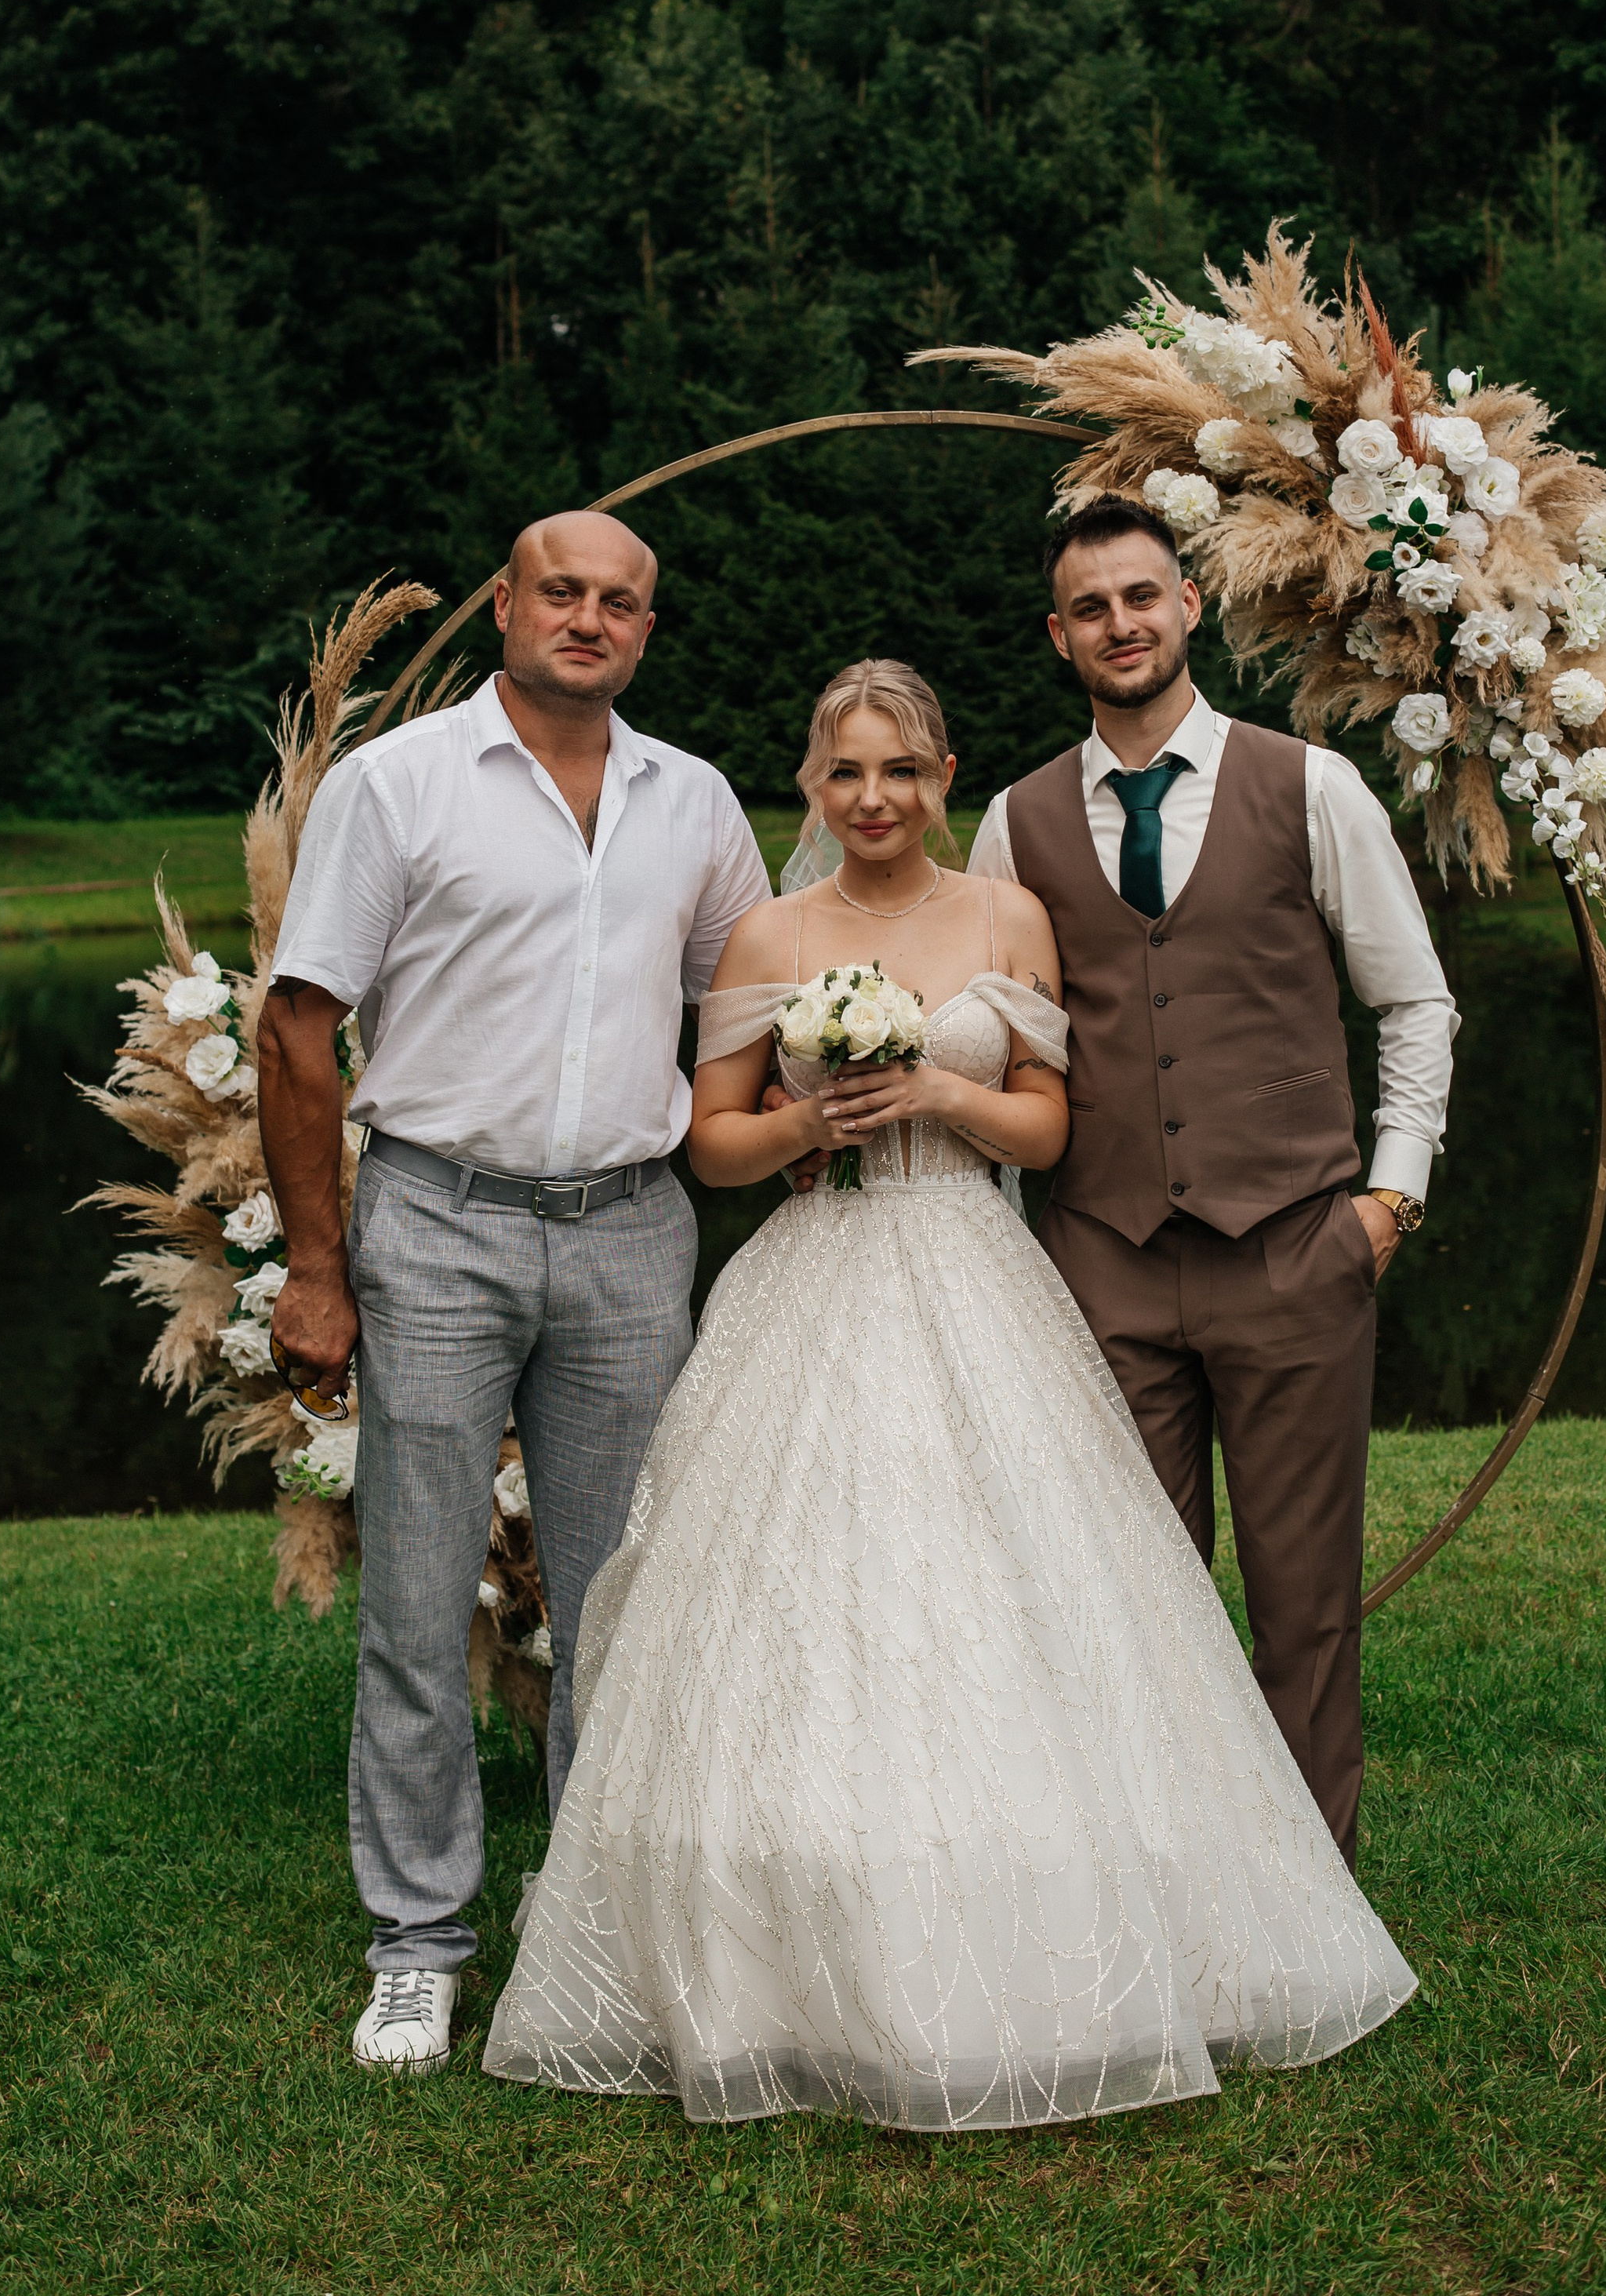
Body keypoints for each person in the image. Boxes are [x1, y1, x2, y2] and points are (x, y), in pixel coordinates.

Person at [481, 657, 1415, 2129]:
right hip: (817, 1273)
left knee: (1026, 1588)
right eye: (845, 772)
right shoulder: (766, 934)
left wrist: (939, 1097)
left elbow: (1048, 1130)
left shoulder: (1005, 913)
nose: (873, 799)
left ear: (943, 780)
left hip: (978, 1267)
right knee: (798, 1598)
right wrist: (803, 1115)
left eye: (901, 772)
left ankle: (1096, 1892)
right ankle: (781, 1935)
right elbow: (710, 1147)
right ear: (811, 784)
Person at [260, 511, 769, 2073]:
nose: (591, 619)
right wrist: (319, 1265)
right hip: (438, 1222)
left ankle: (595, 1912)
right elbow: (298, 1028)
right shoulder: (397, 785)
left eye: (622, 603)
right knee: (418, 1603)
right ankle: (419, 1941)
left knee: (618, 1601)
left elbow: (741, 1010)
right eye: (564, 590)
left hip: (630, 1232)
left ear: (645, 632)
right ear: (506, 603)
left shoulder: (692, 803)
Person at [968, 495, 1458, 1867]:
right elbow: (1011, 1054)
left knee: (1306, 1604)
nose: (1120, 624)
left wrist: (1389, 1201)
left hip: (1297, 1248)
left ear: (1189, 605)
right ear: (1058, 637)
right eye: (1090, 608)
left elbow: (1413, 1005)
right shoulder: (1014, 824)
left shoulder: (1310, 787)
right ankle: (1171, 1892)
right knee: (1134, 1602)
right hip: (1103, 1261)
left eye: (1141, 596)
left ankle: (1317, 1904)